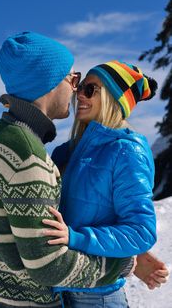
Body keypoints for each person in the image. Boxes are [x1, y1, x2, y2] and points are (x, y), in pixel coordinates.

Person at [0, 34, 135, 308]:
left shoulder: (3, 138)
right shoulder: (27, 157)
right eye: (72, 79)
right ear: (48, 84)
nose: (75, 90)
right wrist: (124, 263)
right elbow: (48, 265)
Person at [42, 60, 168, 307]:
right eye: (79, 88)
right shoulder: (64, 152)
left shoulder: (126, 152)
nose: (80, 95)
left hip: (97, 297)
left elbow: (140, 231)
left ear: (114, 99)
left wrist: (76, 237)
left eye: (90, 89)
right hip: (59, 291)